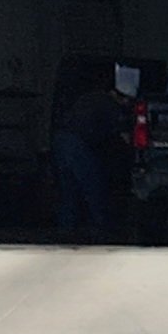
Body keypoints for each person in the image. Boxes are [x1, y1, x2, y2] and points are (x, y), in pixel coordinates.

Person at [51, 85, 122, 241]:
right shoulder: (109, 105)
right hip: (78, 144)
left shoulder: (91, 96)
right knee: (93, 186)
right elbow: (113, 132)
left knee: (68, 188)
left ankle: (66, 229)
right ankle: (100, 228)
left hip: (61, 140)